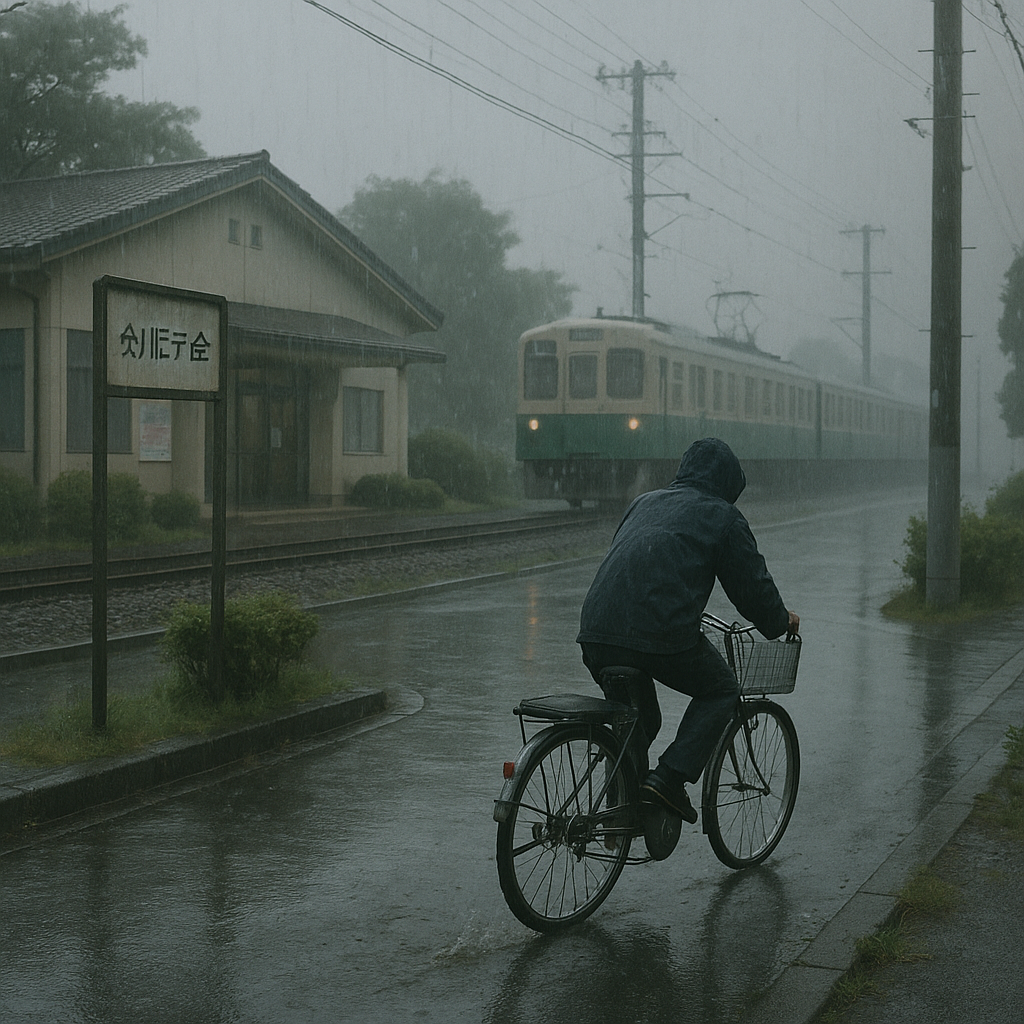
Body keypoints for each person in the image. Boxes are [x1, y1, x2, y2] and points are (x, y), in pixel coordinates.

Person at [576, 437, 799, 824]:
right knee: (722, 689)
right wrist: (780, 621)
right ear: (730, 483)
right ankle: (667, 779)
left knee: (639, 719)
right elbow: (752, 590)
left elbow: (637, 562)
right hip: (658, 633)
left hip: (597, 631)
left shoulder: (644, 502)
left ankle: (618, 808)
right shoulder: (723, 517)